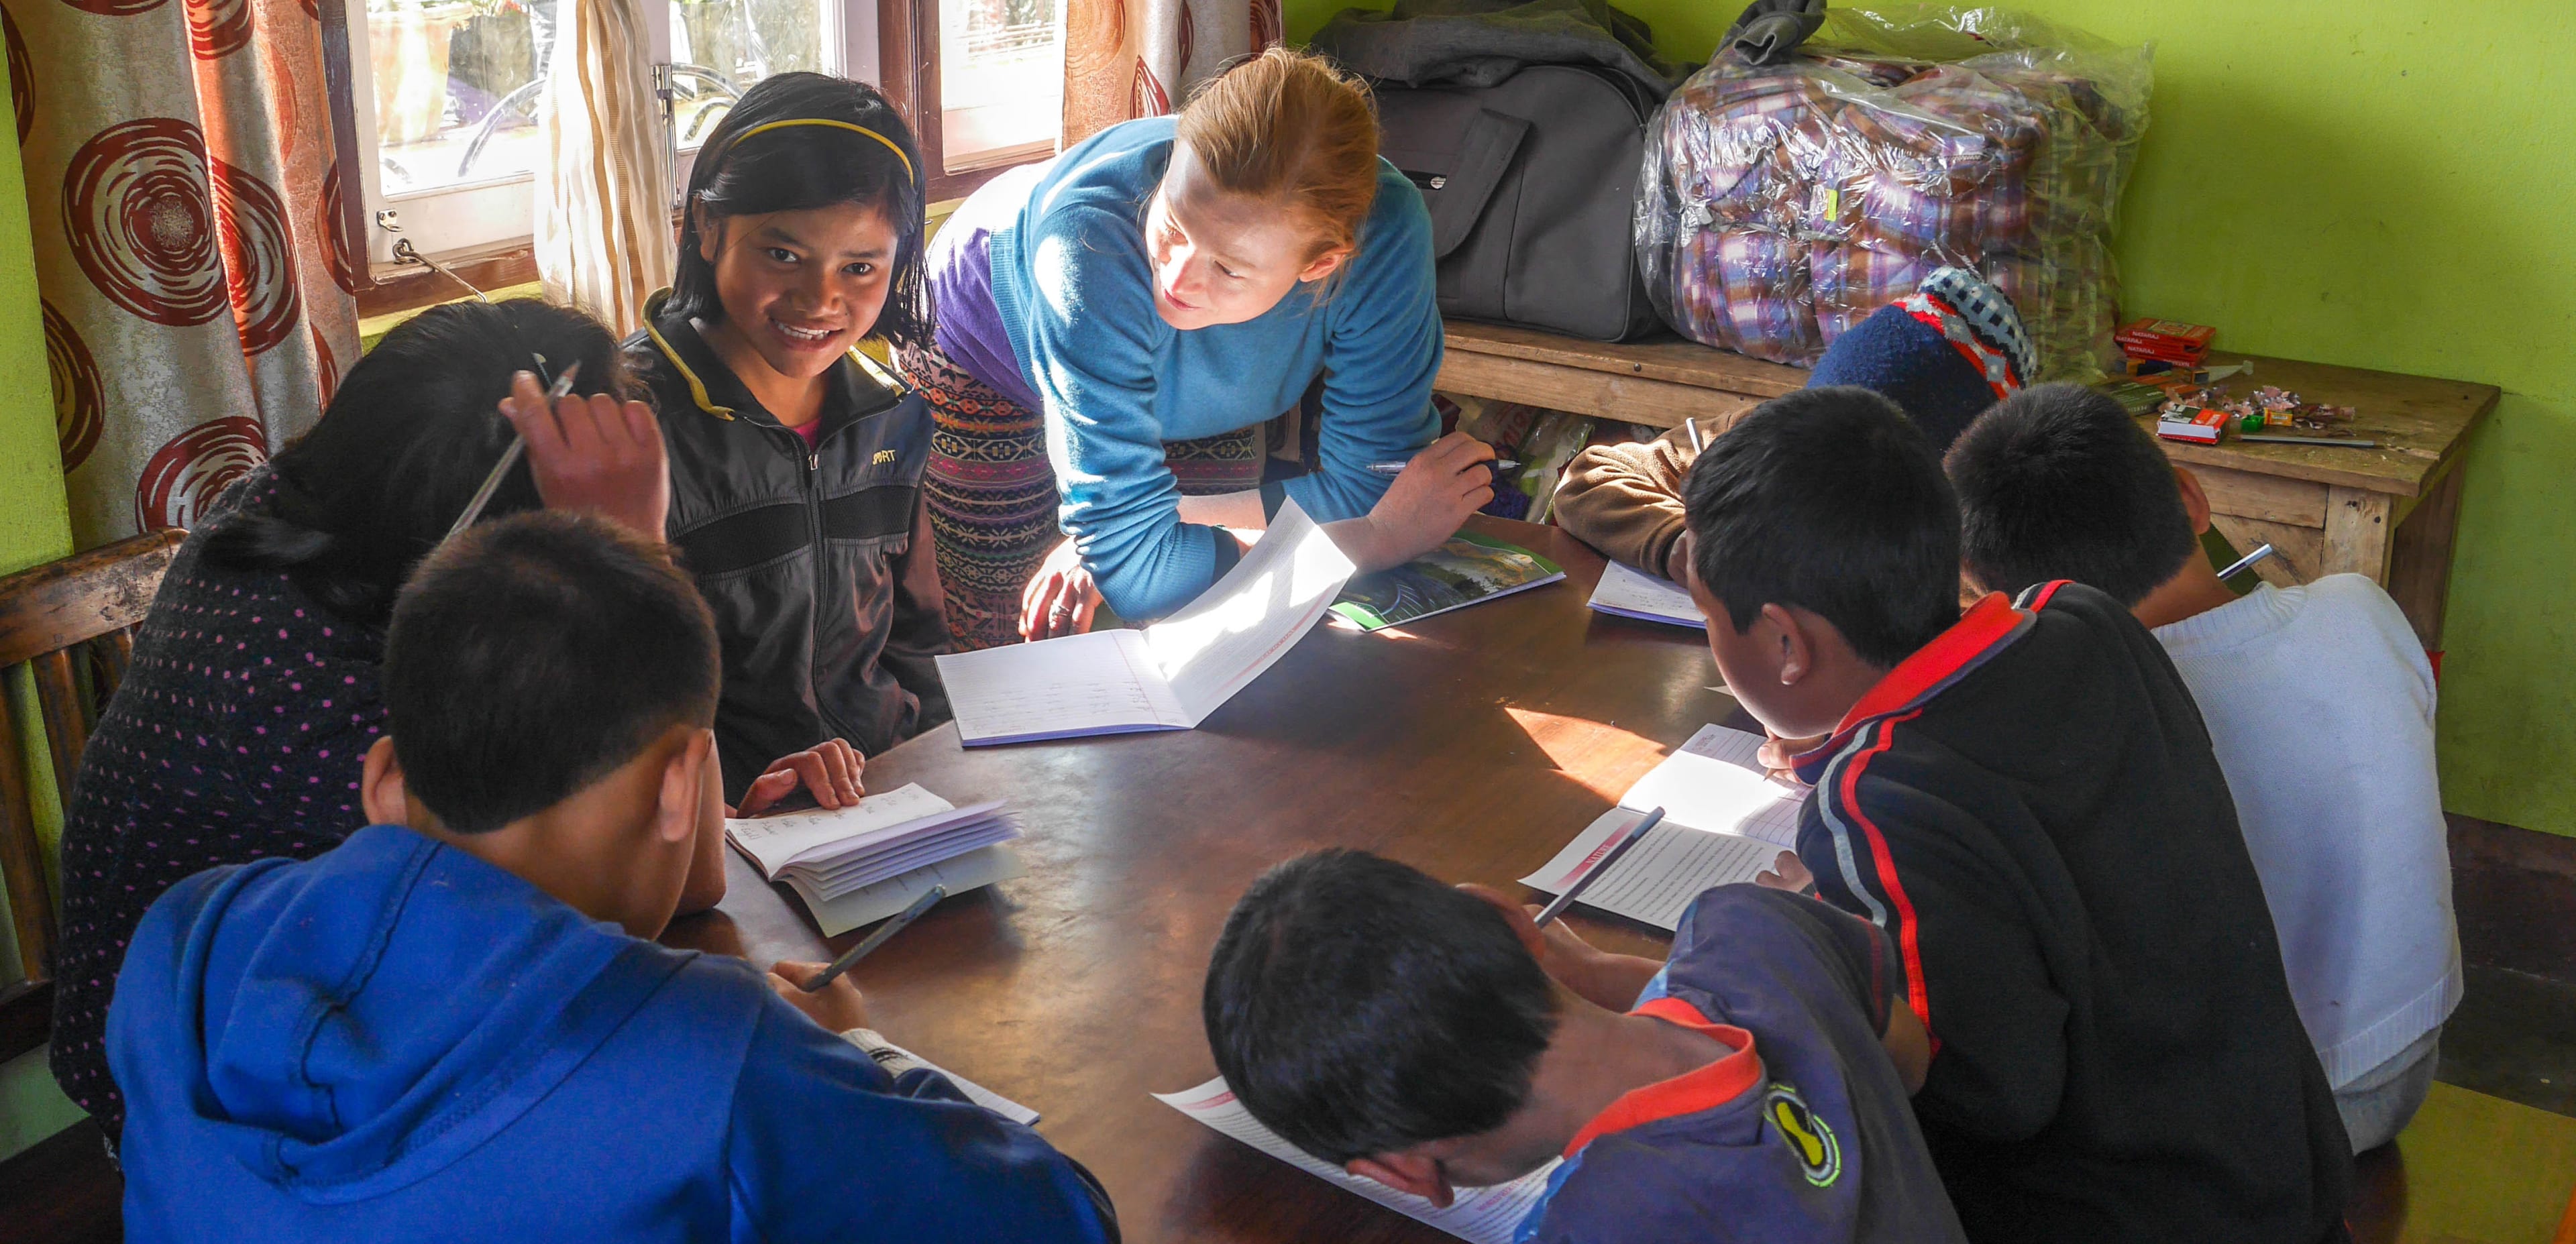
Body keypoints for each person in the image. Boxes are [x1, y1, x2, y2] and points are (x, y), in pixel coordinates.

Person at [107, 512, 1120, 1243]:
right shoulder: (709, 1058)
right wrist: (853, 1044)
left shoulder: (185, 936)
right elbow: (1062, 1217)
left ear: (383, 780)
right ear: (687, 785)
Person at [47, 298, 853, 1143]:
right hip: (218, 1101)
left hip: (320, 1000)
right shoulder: (311, 684)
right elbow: (673, 893)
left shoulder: (317, 509)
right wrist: (634, 563)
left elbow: (660, 867)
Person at [1679, 386, 2353, 1241]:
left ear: (1784, 642)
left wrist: (1827, 939)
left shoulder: (1870, 804)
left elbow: (1991, 1090)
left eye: (1706, 614)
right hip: (2281, 1178)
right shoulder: (2082, 617)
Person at [1943, 383, 2461, 1153]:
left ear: (2005, 600)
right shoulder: (2362, 609)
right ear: (2191, 499)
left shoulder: (2090, 716)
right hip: (2406, 1060)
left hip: (2248, 1115)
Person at [917, 46, 1494, 648]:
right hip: (987, 346)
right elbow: (1144, 578)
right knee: (1010, 646)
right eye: (1171, 224)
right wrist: (1375, 540)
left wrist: (1154, 527)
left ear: (1322, 264)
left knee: (1217, 640)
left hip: (1194, 382)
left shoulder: (1386, 234)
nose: (1176, 279)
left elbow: (1374, 490)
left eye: (1229, 267)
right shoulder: (1087, 245)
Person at [1200, 850, 1964, 1243]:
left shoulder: (1590, 1224)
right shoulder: (1751, 926)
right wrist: (1603, 973)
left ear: (1404, 1172)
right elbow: (1908, 1058)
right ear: (1511, 921)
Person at [630, 71, 950, 801]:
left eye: (860, 267)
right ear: (708, 229)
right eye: (783, 255)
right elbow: (615, 693)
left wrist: (948, 777)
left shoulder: (893, 420)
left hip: (888, 797)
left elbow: (918, 645)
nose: (819, 299)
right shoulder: (631, 429)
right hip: (727, 826)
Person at [1554, 267, 2033, 585]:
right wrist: (1682, 548)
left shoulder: (1965, 557)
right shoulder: (1768, 438)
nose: (1815, 476)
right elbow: (1587, 481)